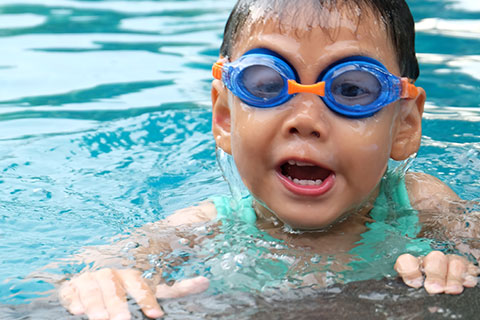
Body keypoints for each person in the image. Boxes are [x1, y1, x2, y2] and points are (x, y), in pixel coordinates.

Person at [59, 0, 479, 319]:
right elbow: (98, 264)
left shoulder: (418, 202)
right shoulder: (208, 225)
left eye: (352, 89)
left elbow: (470, 243)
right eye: (266, 84)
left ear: (404, 127)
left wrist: (454, 265)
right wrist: (99, 280)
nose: (305, 121)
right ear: (224, 116)